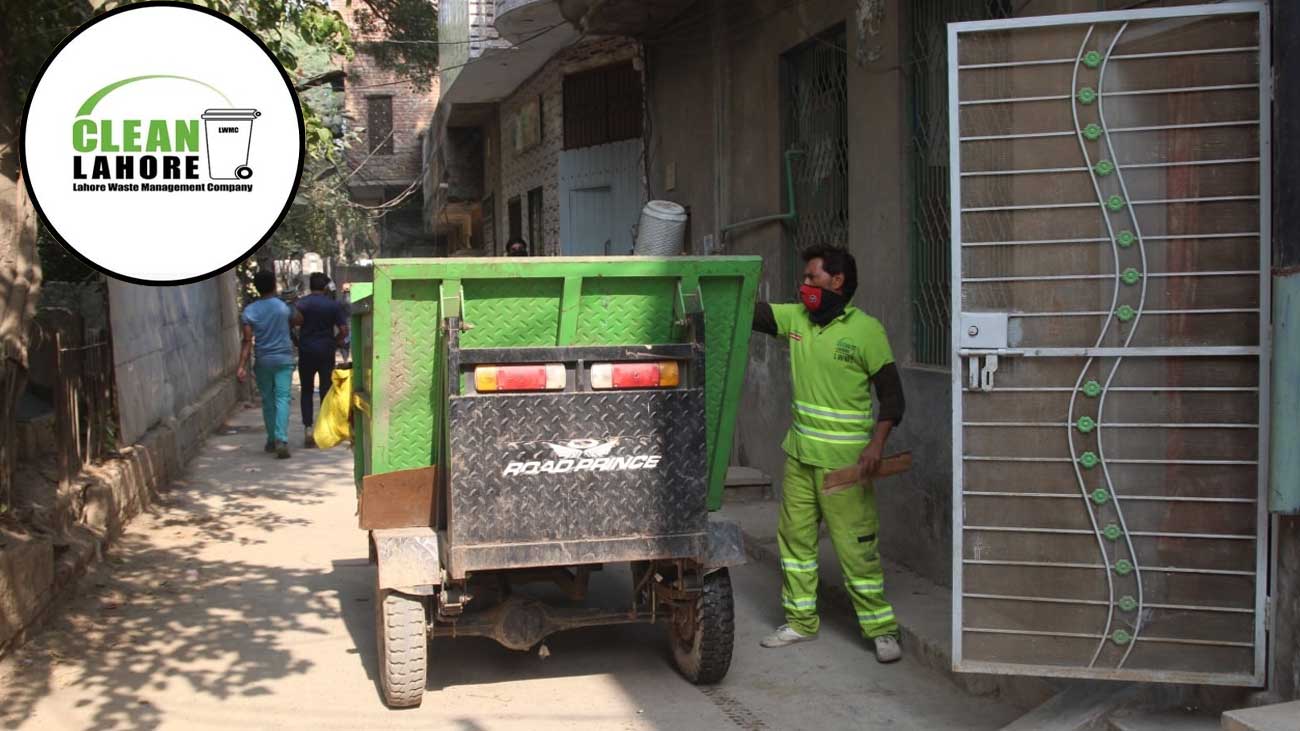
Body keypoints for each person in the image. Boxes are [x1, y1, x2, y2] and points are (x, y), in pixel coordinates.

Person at [752, 244, 906, 664]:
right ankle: (800, 622)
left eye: (811, 278)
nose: (804, 286)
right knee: (796, 543)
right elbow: (756, 313)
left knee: (856, 547)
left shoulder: (866, 331)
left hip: (846, 466)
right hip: (801, 457)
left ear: (836, 281)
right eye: (804, 279)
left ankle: (881, 629)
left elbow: (892, 397)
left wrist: (876, 446)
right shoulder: (797, 320)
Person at [238, 270, 302, 459]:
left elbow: (247, 341)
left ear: (256, 288)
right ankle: (282, 439)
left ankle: (271, 439)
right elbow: (299, 321)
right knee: (282, 398)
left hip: (263, 361)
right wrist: (293, 303)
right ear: (274, 285)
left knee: (268, 401)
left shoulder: (249, 311)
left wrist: (241, 365)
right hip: (283, 360)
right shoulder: (283, 308)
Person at [295, 272, 349, 447]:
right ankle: (324, 430)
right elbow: (344, 330)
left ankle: (308, 429)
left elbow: (294, 323)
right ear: (325, 287)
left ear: (310, 286)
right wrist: (336, 341)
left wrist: (298, 340)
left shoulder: (301, 304)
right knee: (326, 389)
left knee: (307, 390)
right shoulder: (333, 306)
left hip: (306, 351)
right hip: (326, 351)